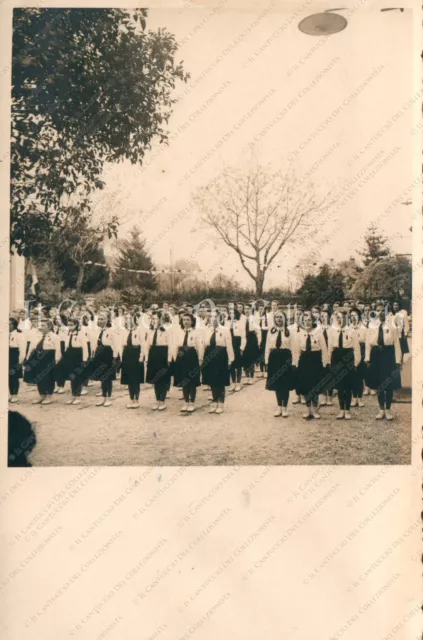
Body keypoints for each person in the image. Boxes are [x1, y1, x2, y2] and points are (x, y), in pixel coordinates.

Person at [365, 307, 402, 420]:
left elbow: (396, 345)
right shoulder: (371, 327)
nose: (380, 313)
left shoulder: (392, 327)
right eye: (378, 311)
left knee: (388, 384)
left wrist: (397, 361)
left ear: (387, 313)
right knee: (379, 384)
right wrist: (367, 358)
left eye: (382, 311)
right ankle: (381, 410)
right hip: (376, 355)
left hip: (388, 355)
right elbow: (368, 344)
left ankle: (388, 410)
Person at [294, 310, 328, 419]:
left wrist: (325, 363)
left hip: (315, 360)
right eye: (305, 320)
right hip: (304, 361)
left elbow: (324, 349)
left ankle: (314, 409)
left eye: (309, 320)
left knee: (315, 384)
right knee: (305, 385)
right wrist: (296, 363)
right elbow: (297, 350)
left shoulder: (318, 333)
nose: (307, 322)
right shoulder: (300, 333)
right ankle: (307, 409)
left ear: (313, 321)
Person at [328, 311, 361, 420]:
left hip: (348, 357)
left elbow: (356, 348)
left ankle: (347, 410)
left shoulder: (352, 331)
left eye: (341, 317)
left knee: (348, 385)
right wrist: (329, 361)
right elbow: (330, 347)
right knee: (340, 386)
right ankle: (341, 409)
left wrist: (356, 363)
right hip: (337, 357)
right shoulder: (332, 330)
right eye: (337, 317)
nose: (339, 319)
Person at [265, 310, 297, 417]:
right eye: (277, 317)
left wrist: (294, 362)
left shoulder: (289, 331)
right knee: (277, 384)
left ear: (284, 319)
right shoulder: (271, 331)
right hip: (274, 358)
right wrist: (266, 361)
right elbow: (267, 347)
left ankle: (285, 408)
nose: (279, 319)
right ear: (274, 319)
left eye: (281, 317)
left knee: (285, 384)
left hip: (285, 358)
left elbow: (293, 348)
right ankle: (279, 407)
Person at [202, 310, 234, 414]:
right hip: (209, 357)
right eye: (211, 316)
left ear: (220, 318)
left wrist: (230, 359)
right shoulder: (207, 330)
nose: (213, 318)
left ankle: (221, 404)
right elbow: (204, 345)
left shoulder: (225, 330)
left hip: (221, 357)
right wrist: (202, 359)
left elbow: (229, 346)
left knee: (220, 381)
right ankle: (214, 402)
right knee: (212, 381)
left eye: (215, 316)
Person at [24, 318, 62, 405]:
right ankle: (42, 395)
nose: (40, 327)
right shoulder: (36, 336)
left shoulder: (55, 337)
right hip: (38, 358)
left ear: (49, 326)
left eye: (43, 326)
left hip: (49, 359)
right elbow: (32, 347)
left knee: (48, 378)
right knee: (39, 377)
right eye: (40, 325)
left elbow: (58, 350)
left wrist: (56, 361)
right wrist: (27, 358)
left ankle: (49, 396)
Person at [173, 313, 203, 412]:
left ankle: (192, 402)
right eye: (184, 320)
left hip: (191, 356)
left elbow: (199, 346)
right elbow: (176, 345)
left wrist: (200, 358)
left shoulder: (196, 332)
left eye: (188, 320)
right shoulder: (180, 332)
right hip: (181, 356)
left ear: (192, 321)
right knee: (184, 379)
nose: (185, 322)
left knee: (191, 380)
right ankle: (186, 401)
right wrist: (175, 357)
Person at [88, 312, 120, 407]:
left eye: (102, 319)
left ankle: (108, 398)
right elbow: (94, 343)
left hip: (108, 354)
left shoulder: (112, 330)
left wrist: (114, 357)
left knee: (107, 377)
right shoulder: (97, 330)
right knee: (102, 376)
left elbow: (116, 345)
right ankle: (103, 396)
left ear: (107, 320)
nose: (100, 321)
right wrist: (93, 354)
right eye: (99, 319)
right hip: (99, 354)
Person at [145, 311, 173, 411]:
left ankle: (162, 401)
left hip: (163, 354)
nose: (153, 321)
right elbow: (147, 345)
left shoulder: (167, 331)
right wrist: (147, 358)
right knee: (155, 379)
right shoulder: (150, 331)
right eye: (152, 319)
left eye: (155, 319)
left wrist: (169, 359)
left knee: (162, 379)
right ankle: (157, 400)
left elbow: (170, 346)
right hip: (153, 354)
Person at [119, 314, 146, 409]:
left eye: (130, 319)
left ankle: (136, 400)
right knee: (129, 379)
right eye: (127, 319)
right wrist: (121, 357)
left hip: (135, 354)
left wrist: (141, 357)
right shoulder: (124, 331)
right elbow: (121, 344)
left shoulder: (139, 330)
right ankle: (131, 399)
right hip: (127, 355)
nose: (128, 320)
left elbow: (143, 344)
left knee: (136, 379)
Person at [62, 317, 90, 405]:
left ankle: (77, 396)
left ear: (76, 325)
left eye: (72, 325)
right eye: (68, 325)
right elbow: (65, 345)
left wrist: (84, 359)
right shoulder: (67, 333)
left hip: (78, 354)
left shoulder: (81, 334)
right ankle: (73, 395)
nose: (70, 327)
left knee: (77, 376)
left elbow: (85, 347)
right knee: (71, 376)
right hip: (69, 354)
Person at [350, 307, 367, 406]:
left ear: (359, 316)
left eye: (355, 315)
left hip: (361, 352)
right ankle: (354, 398)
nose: (353, 318)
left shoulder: (364, 328)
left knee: (359, 377)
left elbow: (365, 341)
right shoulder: (348, 328)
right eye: (351, 316)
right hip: (350, 354)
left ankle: (360, 398)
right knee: (352, 376)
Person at [226, 307, 246, 392]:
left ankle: (238, 383)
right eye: (230, 313)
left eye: (233, 313)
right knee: (231, 365)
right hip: (229, 344)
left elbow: (243, 337)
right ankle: (233, 383)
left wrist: (241, 348)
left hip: (237, 345)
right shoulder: (226, 323)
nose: (231, 315)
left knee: (238, 366)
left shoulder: (240, 322)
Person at [319, 308, 334, 407]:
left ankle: (330, 397)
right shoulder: (318, 329)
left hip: (331, 354)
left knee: (331, 375)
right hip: (320, 354)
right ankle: (324, 396)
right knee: (322, 375)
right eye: (322, 316)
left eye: (326, 316)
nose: (324, 318)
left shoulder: (332, 329)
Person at [9, 317, 25, 403]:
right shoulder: (6, 333)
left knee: (14, 376)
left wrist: (20, 361)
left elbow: (22, 349)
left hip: (15, 356)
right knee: (8, 377)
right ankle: (11, 394)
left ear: (14, 325)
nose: (8, 326)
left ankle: (15, 395)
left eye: (10, 324)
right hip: (7, 355)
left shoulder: (19, 334)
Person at [242, 311, 261, 384]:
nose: (246, 310)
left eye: (248, 309)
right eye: (245, 309)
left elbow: (258, 330)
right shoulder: (242, 318)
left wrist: (259, 341)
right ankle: (247, 377)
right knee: (245, 358)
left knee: (251, 359)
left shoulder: (253, 318)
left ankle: (251, 377)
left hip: (252, 339)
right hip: (244, 338)